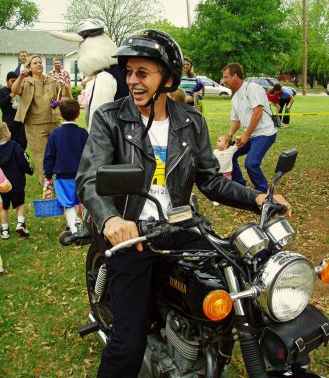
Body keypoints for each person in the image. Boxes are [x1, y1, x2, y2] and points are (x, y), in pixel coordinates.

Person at [76, 29, 291, 378]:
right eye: (129, 72)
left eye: (142, 73)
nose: (133, 80)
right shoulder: (110, 118)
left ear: (169, 78)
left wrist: (258, 197)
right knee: (128, 341)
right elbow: (90, 178)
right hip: (130, 235)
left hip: (179, 224)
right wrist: (111, 219)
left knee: (240, 278)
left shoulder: (190, 123)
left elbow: (209, 179)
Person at [11, 55, 71, 185]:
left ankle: (60, 180)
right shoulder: (26, 81)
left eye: (40, 62)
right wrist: (21, 77)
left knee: (59, 152)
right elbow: (14, 90)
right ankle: (46, 183)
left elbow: (65, 98)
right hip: (34, 125)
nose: (39, 64)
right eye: (35, 63)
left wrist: (66, 88)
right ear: (29, 67)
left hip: (54, 122)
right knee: (41, 155)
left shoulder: (52, 81)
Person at [222, 62, 277, 193]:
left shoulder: (252, 88)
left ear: (235, 76)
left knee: (251, 163)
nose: (224, 81)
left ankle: (263, 192)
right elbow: (237, 120)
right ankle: (241, 186)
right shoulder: (235, 97)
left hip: (264, 134)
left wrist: (246, 135)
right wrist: (228, 137)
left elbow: (258, 112)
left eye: (226, 77)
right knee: (229, 154)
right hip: (249, 135)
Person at [43, 99, 88, 244]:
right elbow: (89, 154)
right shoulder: (83, 134)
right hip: (82, 175)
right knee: (80, 201)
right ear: (78, 113)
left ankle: (76, 232)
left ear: (60, 115)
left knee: (68, 204)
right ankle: (80, 226)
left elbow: (49, 156)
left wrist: (48, 176)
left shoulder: (55, 134)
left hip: (63, 177)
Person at [0, 122, 33, 239]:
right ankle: (20, 223)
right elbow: (23, 161)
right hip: (16, 181)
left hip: (2, 185)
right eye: (8, 130)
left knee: (4, 206)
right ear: (5, 134)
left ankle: (4, 230)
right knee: (20, 203)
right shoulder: (15, 146)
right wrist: (29, 170)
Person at [0, 71, 27, 150]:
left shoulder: (21, 91)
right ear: (7, 81)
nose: (15, 83)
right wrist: (11, 95)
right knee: (10, 145)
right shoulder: (2, 91)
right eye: (12, 81)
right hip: (9, 123)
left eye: (16, 81)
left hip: (21, 123)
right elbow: (1, 104)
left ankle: (21, 159)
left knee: (23, 143)